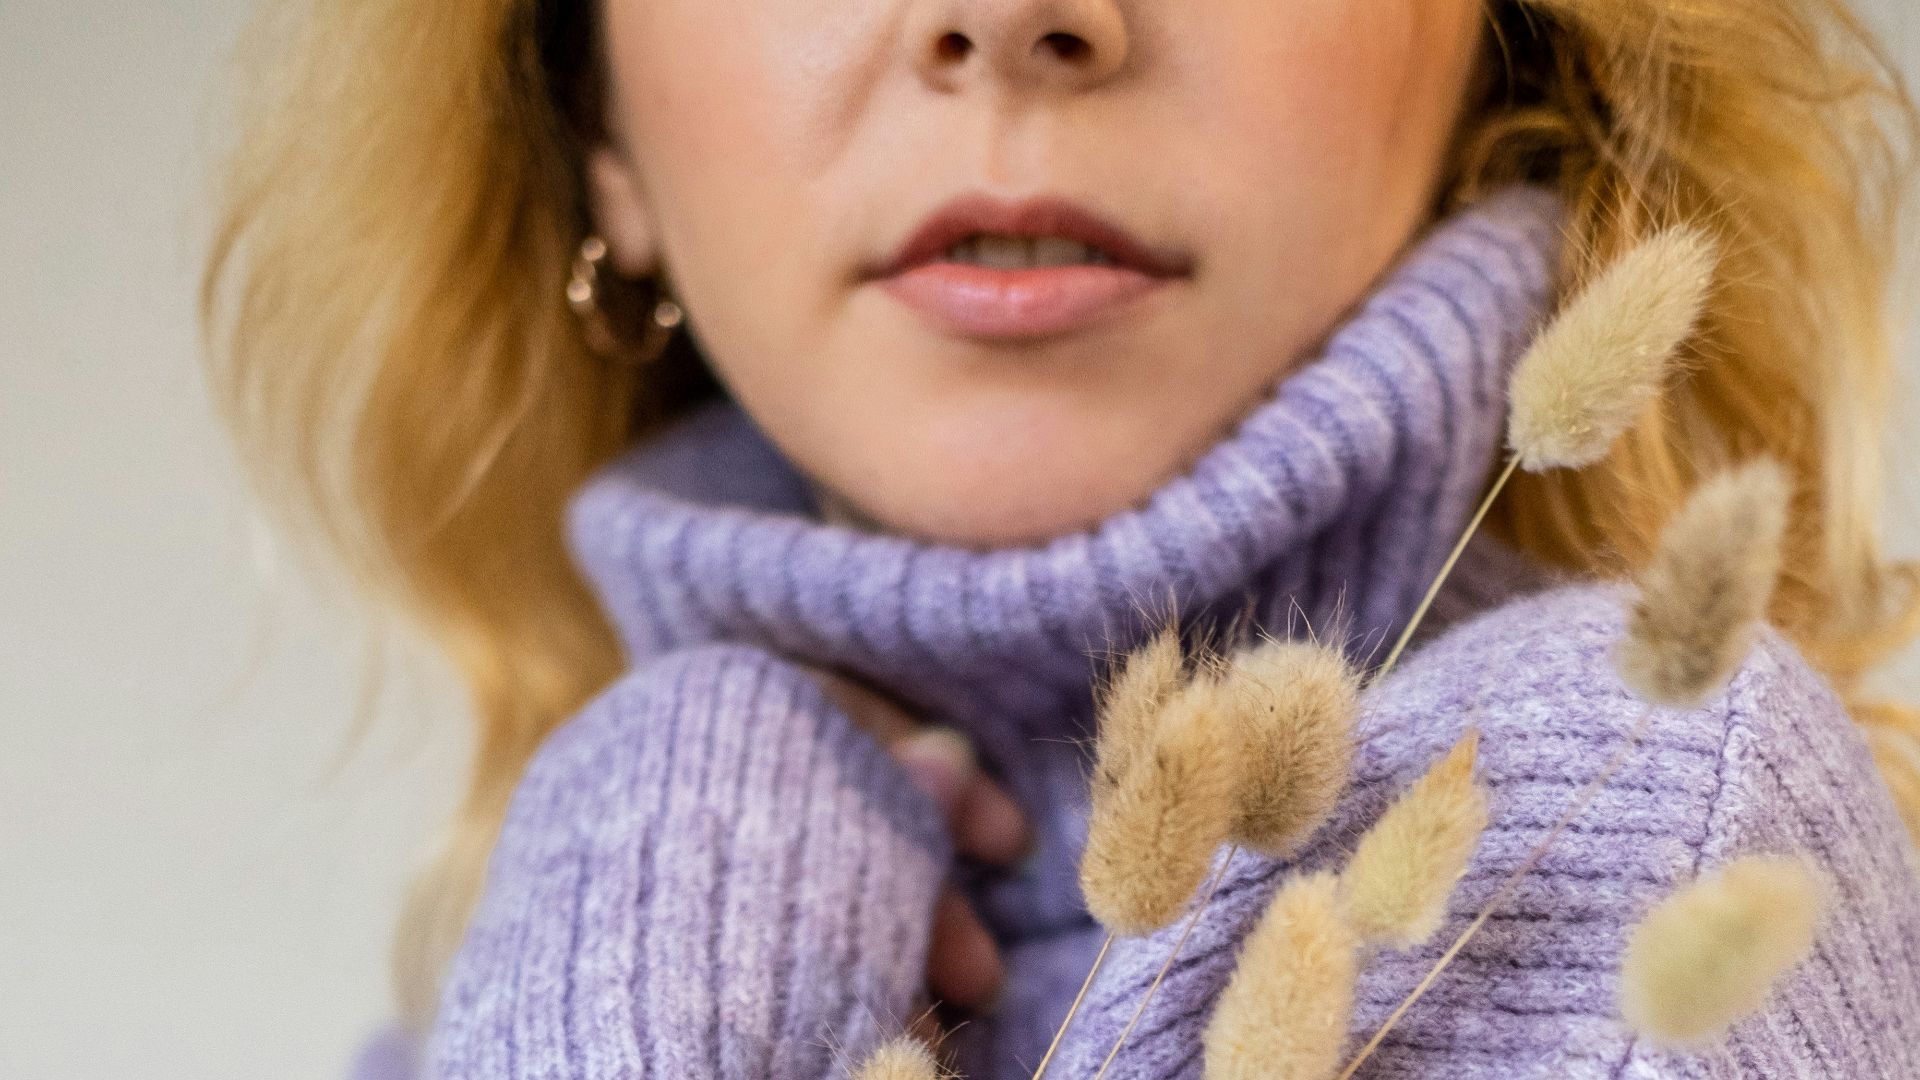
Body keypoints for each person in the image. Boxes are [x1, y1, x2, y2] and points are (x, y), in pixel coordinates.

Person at [201, 0, 1920, 1075]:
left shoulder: (1633, 839)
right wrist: (671, 871)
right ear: (595, 123)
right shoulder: (537, 941)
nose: (1009, 18)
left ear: (1504, 43)